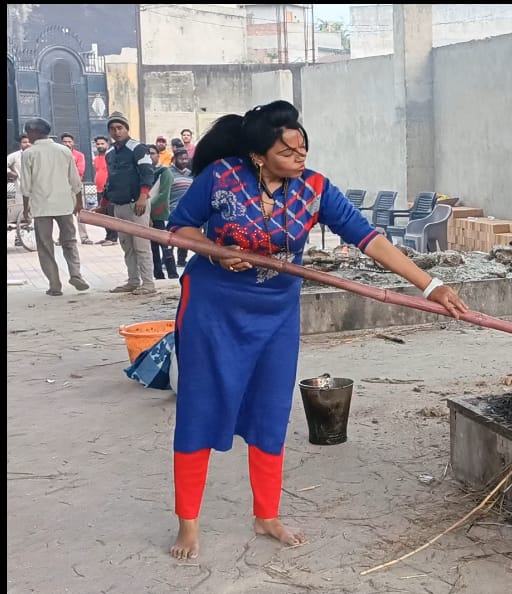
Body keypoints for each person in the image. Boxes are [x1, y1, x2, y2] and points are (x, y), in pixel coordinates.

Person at [166, 100, 469, 560]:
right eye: (287, 152)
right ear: (258, 155)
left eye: (303, 148)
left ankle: (266, 515)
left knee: (270, 410)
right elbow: (179, 228)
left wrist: (431, 286)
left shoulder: (314, 188)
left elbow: (369, 238)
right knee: (200, 407)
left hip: (276, 315)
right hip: (213, 310)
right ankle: (188, 523)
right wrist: (215, 250)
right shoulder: (222, 177)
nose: (299, 157)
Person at [19, 118, 90, 296]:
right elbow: (75, 180)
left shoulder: (29, 153)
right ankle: (76, 274)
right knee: (69, 241)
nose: (27, 135)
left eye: (28, 132)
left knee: (45, 246)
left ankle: (54, 284)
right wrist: (79, 202)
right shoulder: (64, 150)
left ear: (34, 132)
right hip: (64, 204)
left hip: (41, 206)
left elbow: (26, 186)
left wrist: (26, 209)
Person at [97, 112, 157, 295]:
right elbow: (110, 180)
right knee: (126, 246)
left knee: (141, 245)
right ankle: (133, 280)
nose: (116, 132)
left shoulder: (138, 148)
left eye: (119, 128)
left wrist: (143, 197)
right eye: (112, 129)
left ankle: (148, 283)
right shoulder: (110, 153)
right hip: (119, 205)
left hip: (136, 204)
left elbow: (147, 173)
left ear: (126, 129)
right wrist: (103, 204)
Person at [146, 145, 178, 279]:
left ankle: (172, 273)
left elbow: (163, 195)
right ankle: (158, 274)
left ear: (158, 155)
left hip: (161, 213)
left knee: (165, 246)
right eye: (147, 154)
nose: (150, 156)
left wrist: (149, 212)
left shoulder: (165, 172)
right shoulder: (145, 173)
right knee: (152, 246)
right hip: (146, 214)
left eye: (152, 153)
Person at [60, 133, 94, 245]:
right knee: (63, 214)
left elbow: (80, 171)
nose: (67, 144)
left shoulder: (79, 155)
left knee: (80, 212)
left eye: (69, 142)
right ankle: (64, 237)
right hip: (61, 189)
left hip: (76, 187)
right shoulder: (58, 156)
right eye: (65, 142)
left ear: (73, 143)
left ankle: (84, 237)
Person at [168, 149, 194, 267]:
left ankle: (181, 260)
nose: (184, 161)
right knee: (170, 237)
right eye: (181, 159)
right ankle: (167, 261)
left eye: (185, 159)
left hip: (187, 211)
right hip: (172, 209)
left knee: (185, 236)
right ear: (174, 159)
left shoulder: (191, 174)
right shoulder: (168, 173)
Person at [92, 135, 118, 246]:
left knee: (111, 213)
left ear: (107, 144)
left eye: (102, 144)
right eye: (98, 144)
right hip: (99, 190)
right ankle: (108, 236)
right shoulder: (96, 159)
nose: (100, 146)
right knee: (103, 214)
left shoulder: (111, 157)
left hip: (109, 190)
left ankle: (113, 238)